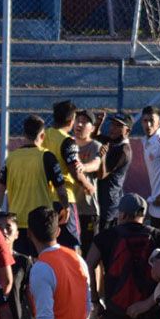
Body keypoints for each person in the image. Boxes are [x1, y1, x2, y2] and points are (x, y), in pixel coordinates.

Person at [0, 114, 69, 255]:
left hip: (17, 222)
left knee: (20, 265)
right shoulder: (47, 157)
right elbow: (61, 190)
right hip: (41, 223)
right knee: (42, 262)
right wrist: (66, 208)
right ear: (42, 135)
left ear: (24, 134)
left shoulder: (11, 158)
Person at [45, 101, 97, 247]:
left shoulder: (44, 136)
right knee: (72, 244)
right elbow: (75, 171)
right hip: (64, 199)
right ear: (71, 120)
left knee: (50, 243)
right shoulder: (67, 141)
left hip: (44, 197)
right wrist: (88, 186)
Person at [94, 112, 134, 229]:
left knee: (104, 240)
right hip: (98, 199)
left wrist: (102, 157)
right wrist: (98, 124)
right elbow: (95, 137)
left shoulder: (123, 151)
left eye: (118, 126)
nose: (113, 128)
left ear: (127, 131)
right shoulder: (113, 141)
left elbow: (102, 175)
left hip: (108, 205)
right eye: (112, 124)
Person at [72, 109, 103, 252]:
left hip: (88, 208)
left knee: (89, 251)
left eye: (84, 122)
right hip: (70, 207)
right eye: (77, 120)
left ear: (92, 128)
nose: (79, 124)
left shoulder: (95, 146)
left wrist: (82, 167)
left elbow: (96, 164)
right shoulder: (68, 144)